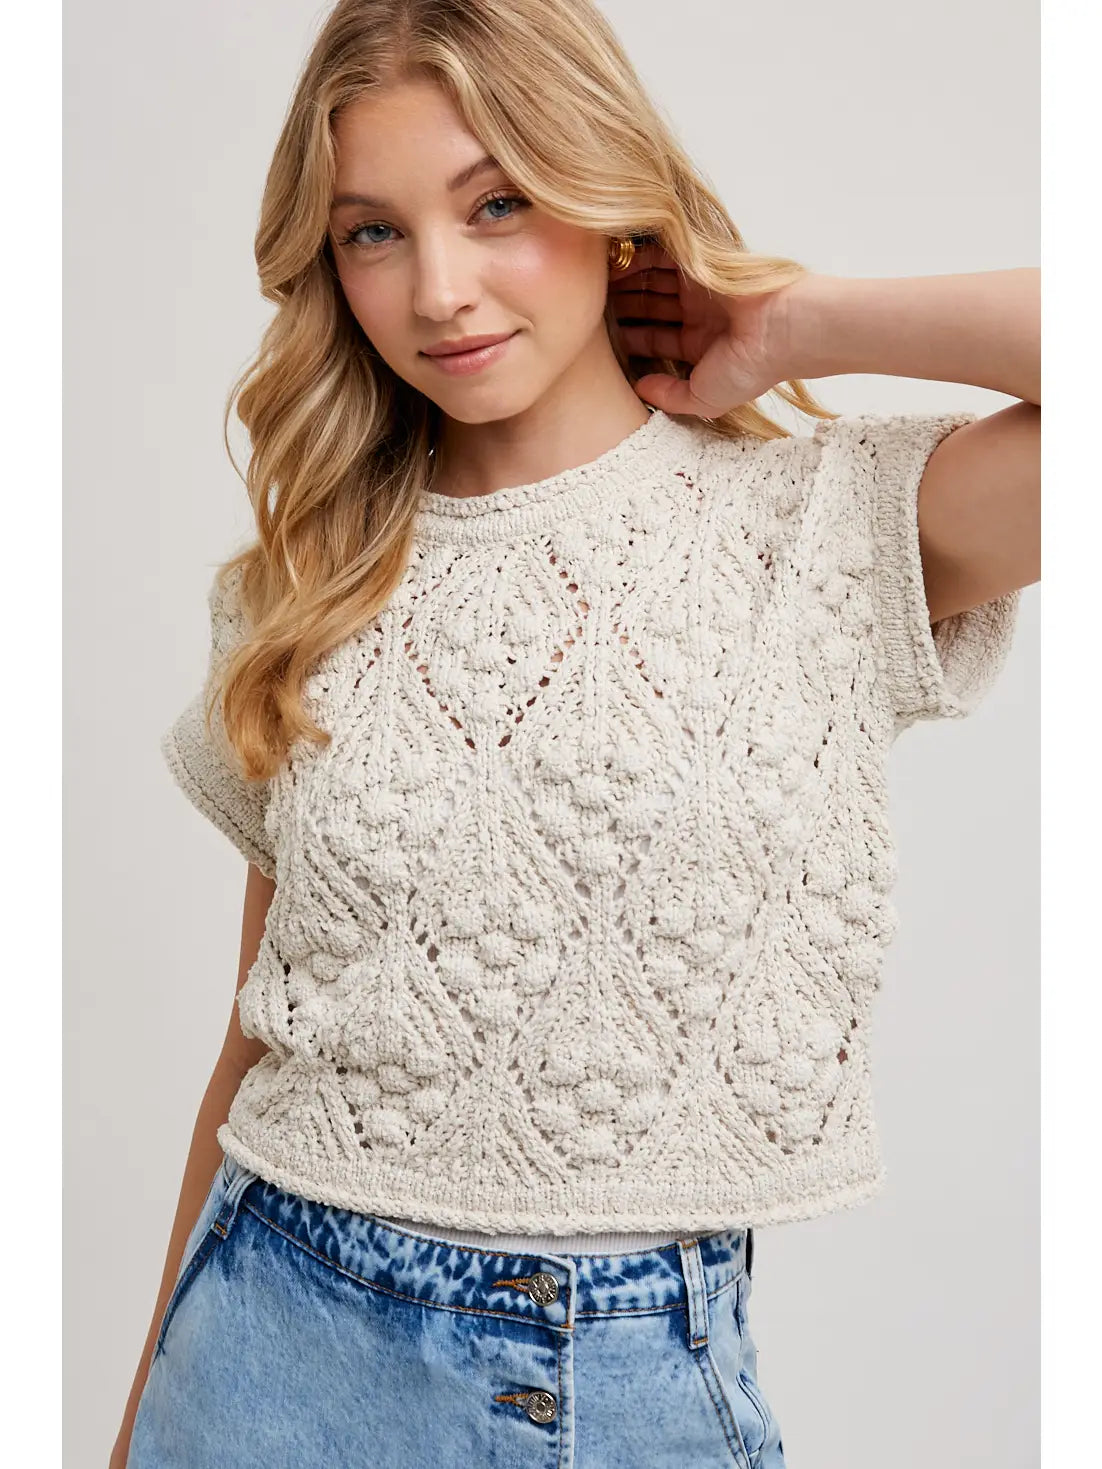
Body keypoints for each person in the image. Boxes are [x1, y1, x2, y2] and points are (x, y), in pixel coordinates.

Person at [114, 1, 1039, 1465]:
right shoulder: (308, 586)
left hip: (625, 1381)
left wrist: (800, 319)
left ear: (607, 198)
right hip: (263, 1348)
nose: (440, 291)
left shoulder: (822, 530)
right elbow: (261, 1031)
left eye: (498, 204)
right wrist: (138, 1416)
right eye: (373, 232)